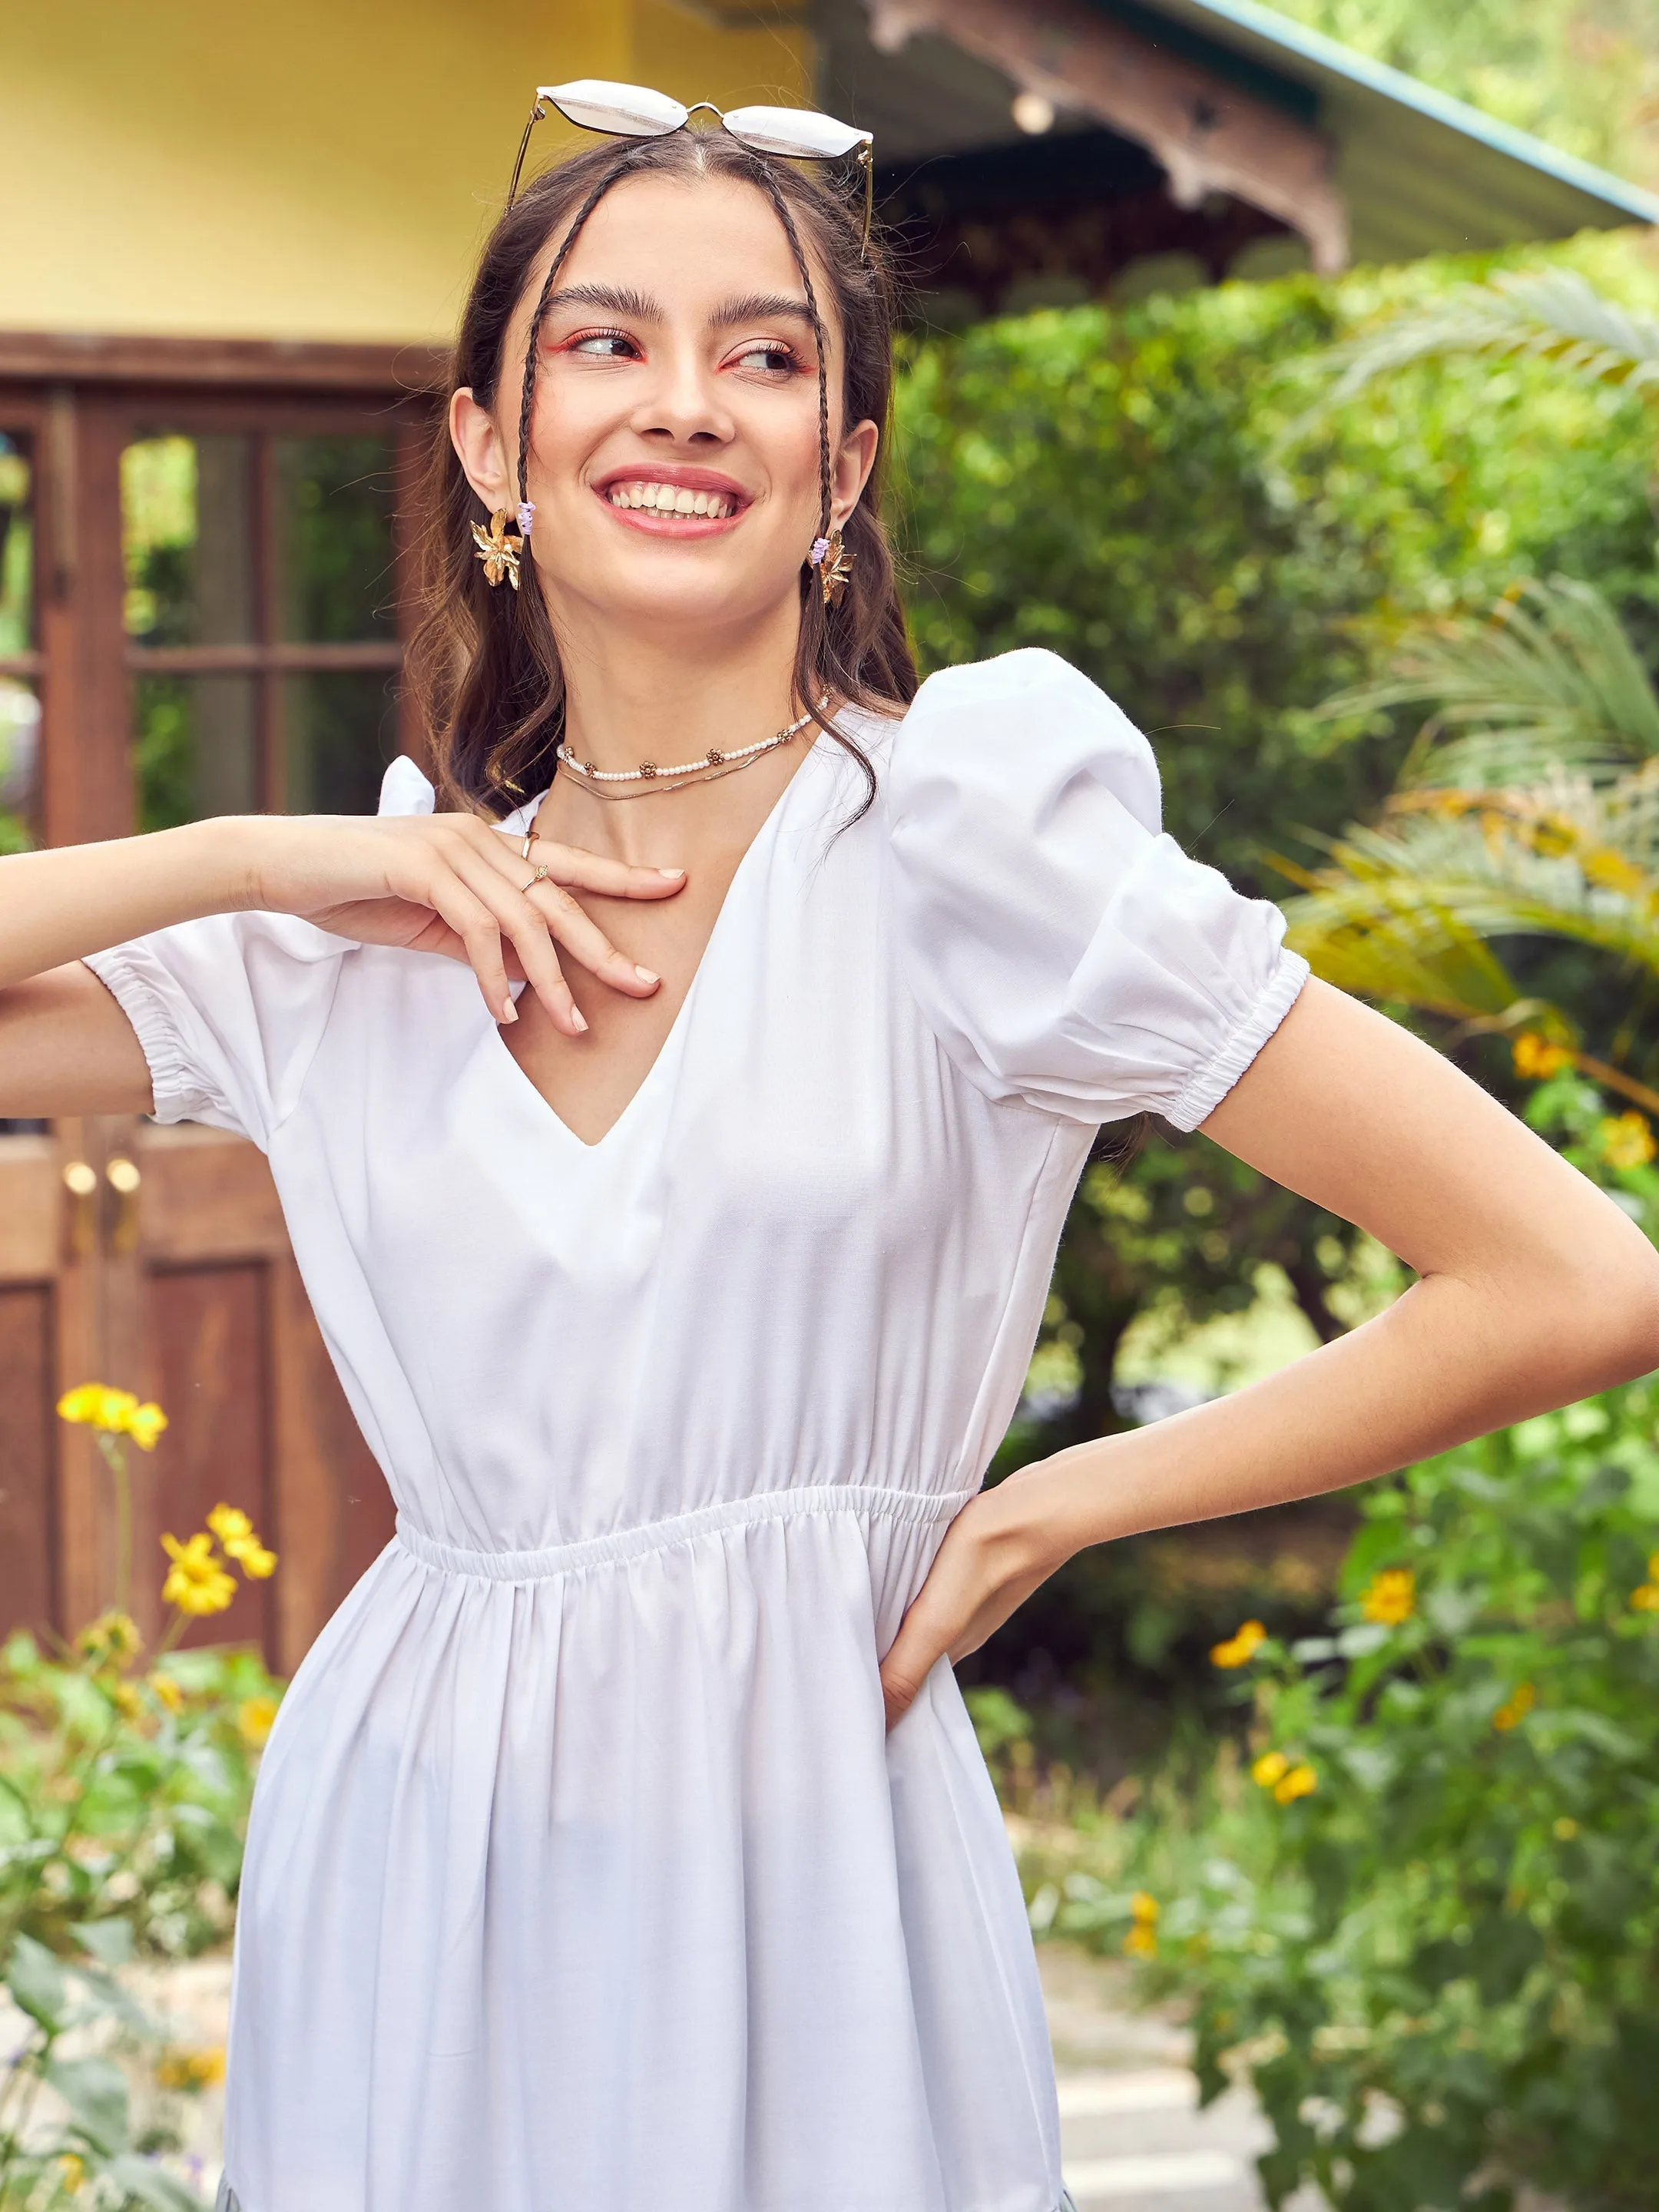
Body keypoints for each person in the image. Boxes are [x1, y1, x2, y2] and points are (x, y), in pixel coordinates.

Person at [2, 91, 1656, 2212]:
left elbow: (1573, 1277)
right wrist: (249, 848)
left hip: (810, 1878)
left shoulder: (971, 850)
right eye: (604, 344)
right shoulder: (361, 932)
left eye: (766, 357)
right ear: (492, 447)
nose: (684, 405)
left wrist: (1060, 1502)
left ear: (842, 467)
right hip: (411, 1857)